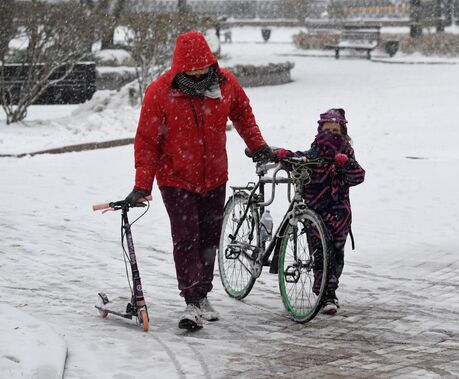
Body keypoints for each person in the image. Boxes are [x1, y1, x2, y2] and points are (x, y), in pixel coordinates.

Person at [125, 31, 274, 330]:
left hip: (214, 176)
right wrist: (143, 184)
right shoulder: (160, 92)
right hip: (176, 178)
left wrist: (258, 146)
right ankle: (191, 300)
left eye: (202, 68)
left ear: (210, 63)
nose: (197, 74)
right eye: (190, 70)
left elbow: (243, 115)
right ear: (180, 67)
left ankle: (203, 294)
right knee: (186, 237)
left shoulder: (225, 84)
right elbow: (147, 141)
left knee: (209, 238)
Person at [274, 108, 365, 315]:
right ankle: (324, 293)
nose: (331, 133)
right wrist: (285, 156)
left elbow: (358, 176)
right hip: (315, 210)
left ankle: (329, 291)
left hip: (339, 211)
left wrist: (345, 163)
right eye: (327, 129)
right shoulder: (315, 151)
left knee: (336, 253)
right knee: (320, 252)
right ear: (320, 130)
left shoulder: (346, 153)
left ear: (343, 131)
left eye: (336, 129)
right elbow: (301, 159)